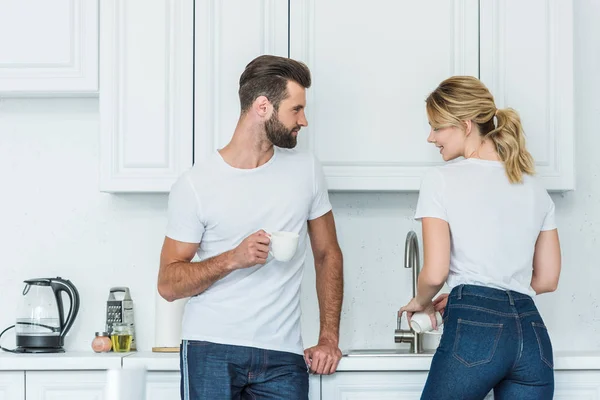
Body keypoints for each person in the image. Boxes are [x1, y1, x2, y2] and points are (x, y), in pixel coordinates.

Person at [158, 55, 344, 400]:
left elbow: (327, 253)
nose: (304, 120)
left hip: (284, 354)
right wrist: (232, 258)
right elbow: (168, 284)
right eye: (296, 109)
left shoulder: (307, 170)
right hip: (210, 348)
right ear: (263, 106)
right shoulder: (196, 184)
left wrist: (329, 337)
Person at [399, 76, 562, 400]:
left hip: (475, 330)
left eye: (437, 127)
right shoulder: (534, 187)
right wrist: (490, 292)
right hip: (532, 336)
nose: (431, 138)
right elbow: (547, 279)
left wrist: (422, 301)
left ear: (466, 124)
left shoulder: (440, 180)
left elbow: (435, 272)